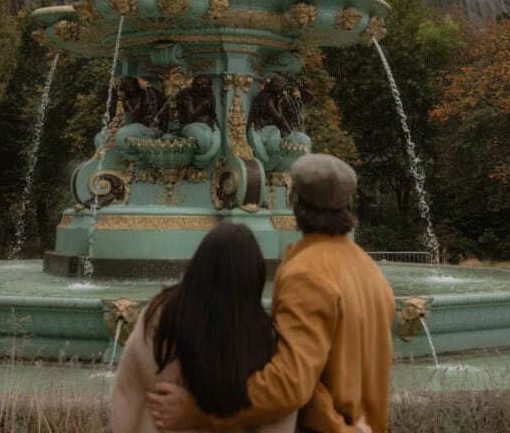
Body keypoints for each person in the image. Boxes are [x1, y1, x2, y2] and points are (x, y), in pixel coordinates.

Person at [148, 154, 395, 433]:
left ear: (294, 201)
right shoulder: (370, 270)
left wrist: (201, 412)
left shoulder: (307, 274)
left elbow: (288, 384)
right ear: (347, 205)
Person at [111, 223, 297, 433]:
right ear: (255, 278)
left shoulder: (157, 320)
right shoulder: (263, 341)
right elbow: (279, 413)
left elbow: (126, 397)